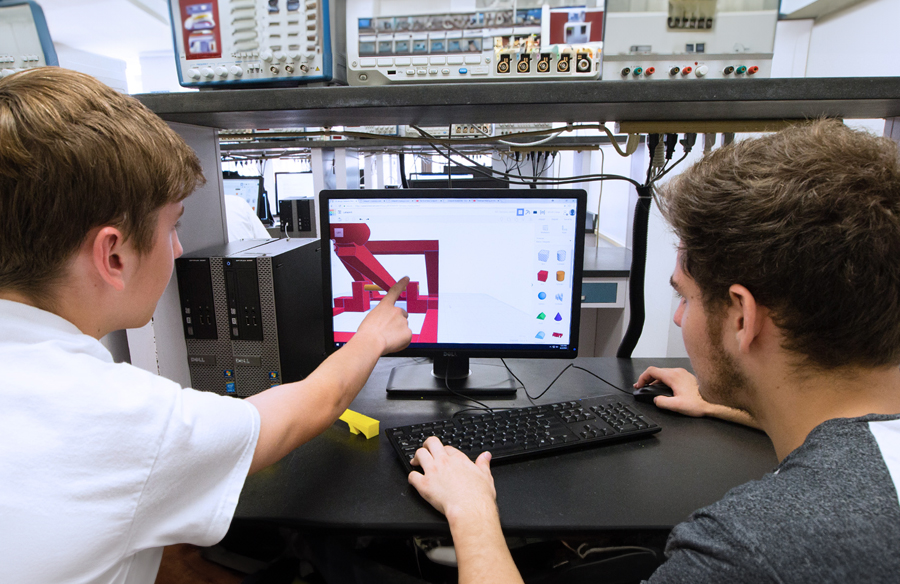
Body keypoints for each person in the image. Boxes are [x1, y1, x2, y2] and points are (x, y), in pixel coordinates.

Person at [407, 120, 900, 583]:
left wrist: (470, 512)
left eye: (684, 296)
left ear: (742, 318)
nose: (680, 318)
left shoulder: (753, 547)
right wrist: (719, 404)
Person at [0, 67, 412, 584]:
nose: (178, 250)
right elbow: (291, 416)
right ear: (113, 255)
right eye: (172, 226)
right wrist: (373, 334)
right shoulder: (112, 417)